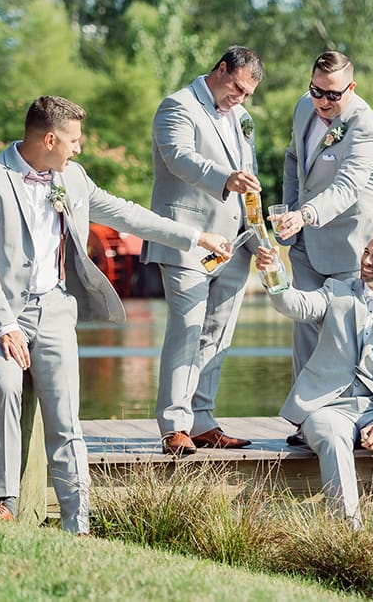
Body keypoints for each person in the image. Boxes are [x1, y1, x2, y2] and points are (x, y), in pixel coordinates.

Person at [0, 95, 232, 533]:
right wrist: (5, 325)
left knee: (65, 415)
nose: (79, 148)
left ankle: (78, 522)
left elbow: (128, 214)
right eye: (74, 140)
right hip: (1, 313)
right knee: (7, 386)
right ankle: (4, 501)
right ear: (50, 139)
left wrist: (196, 237)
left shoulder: (73, 177)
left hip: (54, 310)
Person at [254, 233, 373, 527]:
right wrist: (273, 272)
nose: (366, 261)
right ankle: (349, 531)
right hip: (328, 406)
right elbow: (296, 305)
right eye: (366, 253)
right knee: (333, 437)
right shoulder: (335, 291)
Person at [141, 45, 263, 455]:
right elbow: (178, 159)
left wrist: (259, 236)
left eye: (248, 94)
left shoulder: (243, 118)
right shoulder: (177, 106)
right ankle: (174, 426)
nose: (241, 98)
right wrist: (226, 178)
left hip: (235, 244)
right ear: (221, 69)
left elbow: (252, 179)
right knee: (186, 331)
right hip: (187, 240)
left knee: (216, 335)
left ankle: (203, 420)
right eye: (237, 88)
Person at [271, 51, 373, 445]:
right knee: (305, 331)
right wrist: (289, 213)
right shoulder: (304, 108)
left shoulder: (367, 128)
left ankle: (362, 420)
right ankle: (307, 423)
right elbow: (294, 160)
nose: (323, 102)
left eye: (333, 95)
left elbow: (346, 189)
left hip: (354, 248)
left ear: (351, 88)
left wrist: (304, 214)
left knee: (350, 336)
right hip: (306, 243)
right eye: (316, 90)